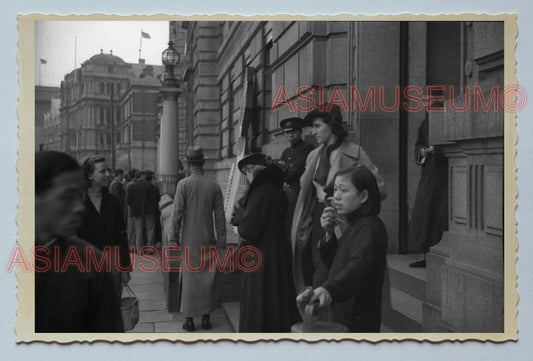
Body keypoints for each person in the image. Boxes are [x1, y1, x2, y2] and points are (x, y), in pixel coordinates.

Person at [291, 103, 387, 292]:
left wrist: (346, 204)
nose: (313, 131)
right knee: (312, 271)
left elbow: (379, 189)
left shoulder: (355, 152)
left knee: (333, 274)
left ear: (332, 125)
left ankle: (328, 314)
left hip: (343, 223)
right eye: (313, 127)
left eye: (318, 126)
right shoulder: (313, 156)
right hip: (314, 220)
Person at [35, 151, 124, 332]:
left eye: (79, 196)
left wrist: (123, 266)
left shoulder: (91, 263)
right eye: (67, 197)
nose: (78, 208)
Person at [296, 165, 388, 332]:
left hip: (357, 319)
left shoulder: (370, 227)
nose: (336, 196)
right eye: (336, 189)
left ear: (363, 196)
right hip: (344, 314)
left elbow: (359, 266)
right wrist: (329, 234)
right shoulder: (355, 224)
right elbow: (337, 264)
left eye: (343, 190)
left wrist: (329, 290)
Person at [236, 152, 300, 332]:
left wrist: (241, 222)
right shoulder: (278, 191)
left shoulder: (260, 193)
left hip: (260, 257)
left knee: (258, 302)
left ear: (250, 171)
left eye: (246, 174)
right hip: (278, 253)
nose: (247, 179)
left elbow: (248, 230)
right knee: (276, 300)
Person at [171, 146, 226, 331]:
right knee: (208, 279)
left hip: (189, 239)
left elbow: (177, 213)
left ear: (187, 164)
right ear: (203, 163)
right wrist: (222, 241)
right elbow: (219, 218)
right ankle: (205, 318)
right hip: (208, 237)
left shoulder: (183, 185)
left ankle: (188, 320)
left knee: (189, 278)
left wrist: (173, 238)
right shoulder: (214, 186)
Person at [77, 155, 132, 299]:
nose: (108, 174)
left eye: (108, 170)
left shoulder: (113, 202)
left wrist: (125, 268)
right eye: (102, 171)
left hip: (112, 263)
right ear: (89, 175)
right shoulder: (77, 204)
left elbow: (122, 236)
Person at [408, 114, 448, 267]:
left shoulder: (446, 117)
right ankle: (425, 254)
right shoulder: (426, 121)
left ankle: (435, 254)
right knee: (424, 213)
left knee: (438, 214)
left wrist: (436, 150)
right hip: (428, 173)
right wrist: (422, 151)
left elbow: (452, 143)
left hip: (442, 175)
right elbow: (419, 144)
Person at [279, 117, 315, 195]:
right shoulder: (286, 151)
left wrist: (284, 167)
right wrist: (289, 167)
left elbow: (296, 172)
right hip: (286, 190)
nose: (290, 135)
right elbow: (278, 171)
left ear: (300, 132)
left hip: (300, 190)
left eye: (293, 131)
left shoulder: (307, 147)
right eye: (287, 132)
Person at [126, 170, 157, 253]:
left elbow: (128, 200)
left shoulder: (132, 186)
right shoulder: (150, 185)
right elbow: (157, 198)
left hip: (137, 212)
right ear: (142, 176)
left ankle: (139, 249)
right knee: (150, 230)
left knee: (138, 230)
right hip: (149, 211)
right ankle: (150, 249)